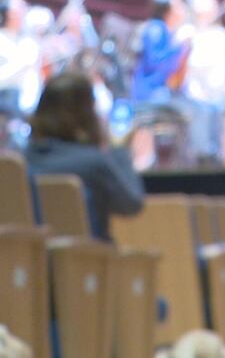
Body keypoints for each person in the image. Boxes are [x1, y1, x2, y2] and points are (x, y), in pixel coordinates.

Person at [24, 72, 144, 241]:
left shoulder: (18, 163)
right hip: (89, 264)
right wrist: (119, 150)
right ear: (87, 114)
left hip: (28, 264)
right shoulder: (93, 164)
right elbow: (131, 203)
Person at [132, 0, 189, 102]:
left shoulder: (167, 30)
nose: (183, 8)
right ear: (167, 9)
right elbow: (157, 63)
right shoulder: (156, 29)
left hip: (162, 92)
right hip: (152, 93)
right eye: (178, 5)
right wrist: (180, 47)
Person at [0, 0, 42, 115]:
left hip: (26, 106)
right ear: (9, 13)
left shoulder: (29, 41)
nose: (25, 10)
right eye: (21, 7)